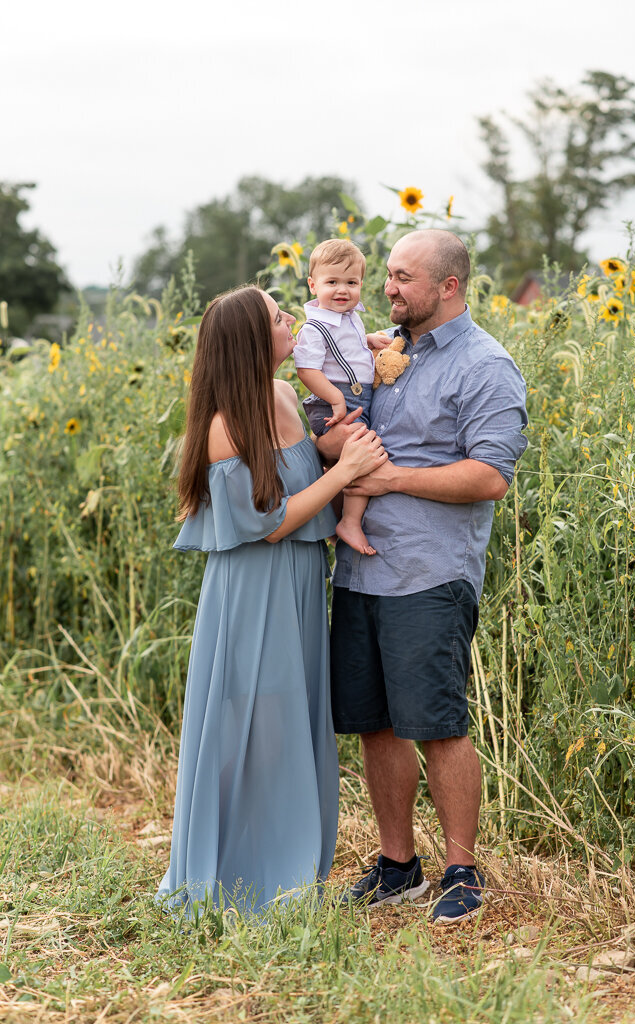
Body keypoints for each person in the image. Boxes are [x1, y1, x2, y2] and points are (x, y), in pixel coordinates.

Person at [318, 229, 528, 925]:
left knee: (437, 724)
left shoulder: (486, 366)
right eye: (387, 275)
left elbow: (490, 476)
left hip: (430, 574)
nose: (387, 287)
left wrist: (390, 478)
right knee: (377, 725)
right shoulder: (384, 350)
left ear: (448, 287)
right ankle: (398, 865)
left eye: (403, 277)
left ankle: (461, 870)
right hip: (361, 569)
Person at [157, 286, 387, 915]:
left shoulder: (286, 395)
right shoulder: (225, 427)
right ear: (253, 342)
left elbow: (295, 475)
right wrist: (342, 475)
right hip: (253, 588)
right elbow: (270, 521)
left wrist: (327, 452)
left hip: (300, 583)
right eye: (279, 317)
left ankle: (286, 867)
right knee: (246, 720)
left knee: (292, 721)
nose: (292, 322)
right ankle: (236, 870)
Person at [295, 238, 386, 557]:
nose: (342, 290)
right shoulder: (314, 327)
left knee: (361, 452)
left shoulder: (349, 317)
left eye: (351, 282)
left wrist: (368, 339)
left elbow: (348, 346)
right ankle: (348, 520)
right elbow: (307, 370)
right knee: (365, 455)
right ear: (312, 284)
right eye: (331, 282)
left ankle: (341, 517)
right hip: (334, 402)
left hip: (354, 397)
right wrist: (334, 398)